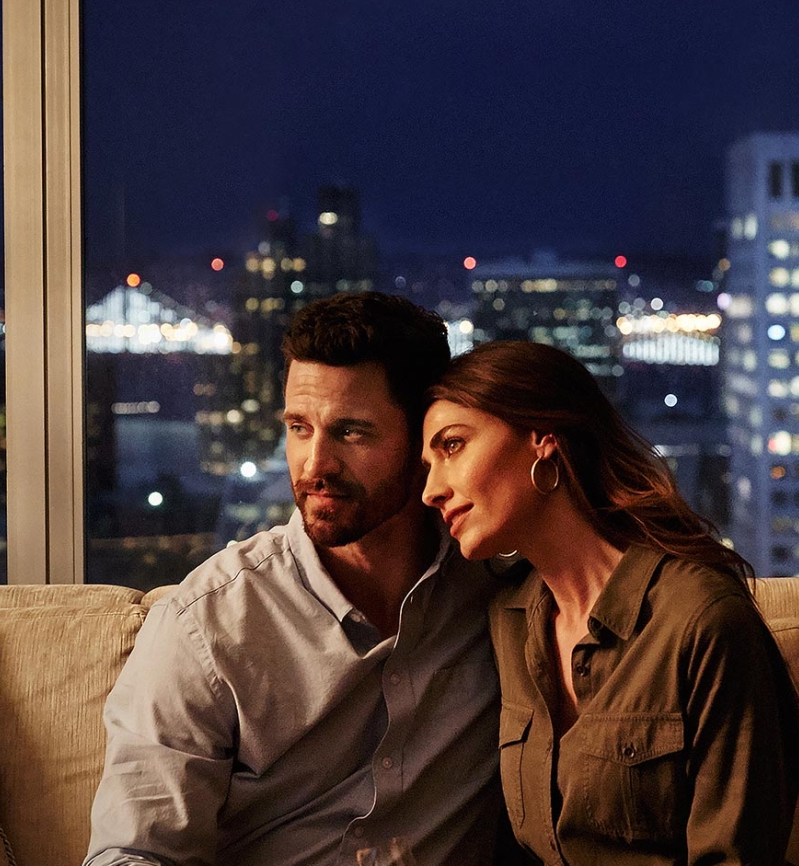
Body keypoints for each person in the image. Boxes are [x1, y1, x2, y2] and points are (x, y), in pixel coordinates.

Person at [87, 293, 505, 866]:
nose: (314, 466)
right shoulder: (206, 626)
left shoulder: (502, 591)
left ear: (427, 438)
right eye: (299, 427)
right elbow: (133, 852)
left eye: (352, 433)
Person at [419, 340, 799, 865]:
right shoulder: (509, 619)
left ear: (542, 440)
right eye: (428, 464)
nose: (432, 489)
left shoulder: (701, 621)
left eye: (453, 446)